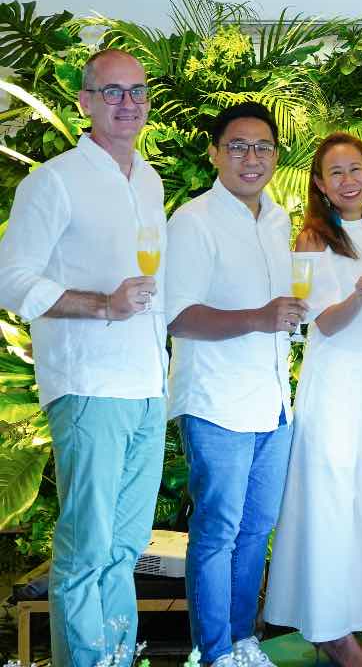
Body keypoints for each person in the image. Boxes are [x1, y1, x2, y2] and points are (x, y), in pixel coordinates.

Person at [0, 49, 166, 667]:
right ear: (86, 102)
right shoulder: (54, 181)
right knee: (87, 548)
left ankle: (115, 658)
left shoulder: (148, 180)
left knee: (125, 550)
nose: (128, 103)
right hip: (90, 384)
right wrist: (103, 304)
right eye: (112, 91)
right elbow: (11, 279)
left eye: (137, 91)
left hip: (147, 386)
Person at [166, 102, 307, 667]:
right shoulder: (193, 221)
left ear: (275, 155)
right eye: (238, 146)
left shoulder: (277, 219)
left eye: (263, 147)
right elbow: (177, 316)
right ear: (215, 153)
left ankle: (244, 642)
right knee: (218, 530)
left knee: (256, 530)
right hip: (216, 400)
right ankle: (215, 652)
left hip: (273, 402)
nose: (252, 158)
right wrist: (258, 318)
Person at [263, 132, 362, 666]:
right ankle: (329, 632)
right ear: (320, 185)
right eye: (336, 173)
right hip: (333, 383)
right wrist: (359, 298)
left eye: (356, 169)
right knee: (329, 501)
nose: (348, 181)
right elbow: (323, 322)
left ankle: (348, 621)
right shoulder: (312, 240)